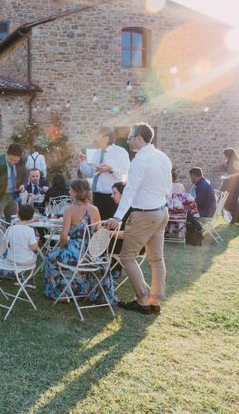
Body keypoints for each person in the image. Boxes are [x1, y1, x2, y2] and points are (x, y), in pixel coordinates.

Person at [105, 123, 172, 315]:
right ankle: (155, 301)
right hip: (161, 211)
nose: (127, 140)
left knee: (127, 257)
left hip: (145, 213)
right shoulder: (163, 157)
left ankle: (143, 300)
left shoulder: (139, 161)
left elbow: (130, 192)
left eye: (129, 137)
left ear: (139, 138)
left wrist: (118, 217)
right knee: (157, 259)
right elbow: (168, 187)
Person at [44, 179, 117, 303]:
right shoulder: (95, 209)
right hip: (92, 254)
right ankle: (83, 290)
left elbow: (63, 236)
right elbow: (98, 233)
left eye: (71, 189)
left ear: (76, 192)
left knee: (50, 257)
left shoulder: (69, 210)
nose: (69, 191)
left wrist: (62, 247)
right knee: (66, 259)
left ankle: (59, 293)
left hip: (75, 253)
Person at [78, 126, 130, 220]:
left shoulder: (120, 152)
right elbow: (90, 173)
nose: (95, 139)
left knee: (107, 229)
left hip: (110, 198)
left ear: (106, 138)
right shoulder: (97, 153)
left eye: (97, 136)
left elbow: (125, 174)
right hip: (95, 196)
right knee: (94, 226)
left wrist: (111, 169)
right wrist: (82, 162)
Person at [0, 143, 26, 213]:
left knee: (14, 219)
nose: (13, 162)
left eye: (16, 161)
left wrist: (23, 185)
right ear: (7, 154)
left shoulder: (22, 161)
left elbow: (25, 176)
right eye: (11, 159)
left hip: (14, 195)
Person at [220, 148, 239, 223]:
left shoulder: (236, 162)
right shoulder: (229, 161)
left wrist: (231, 176)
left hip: (236, 183)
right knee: (226, 198)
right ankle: (230, 216)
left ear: (229, 155)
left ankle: (234, 217)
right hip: (230, 182)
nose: (225, 157)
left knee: (234, 199)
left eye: (226, 155)